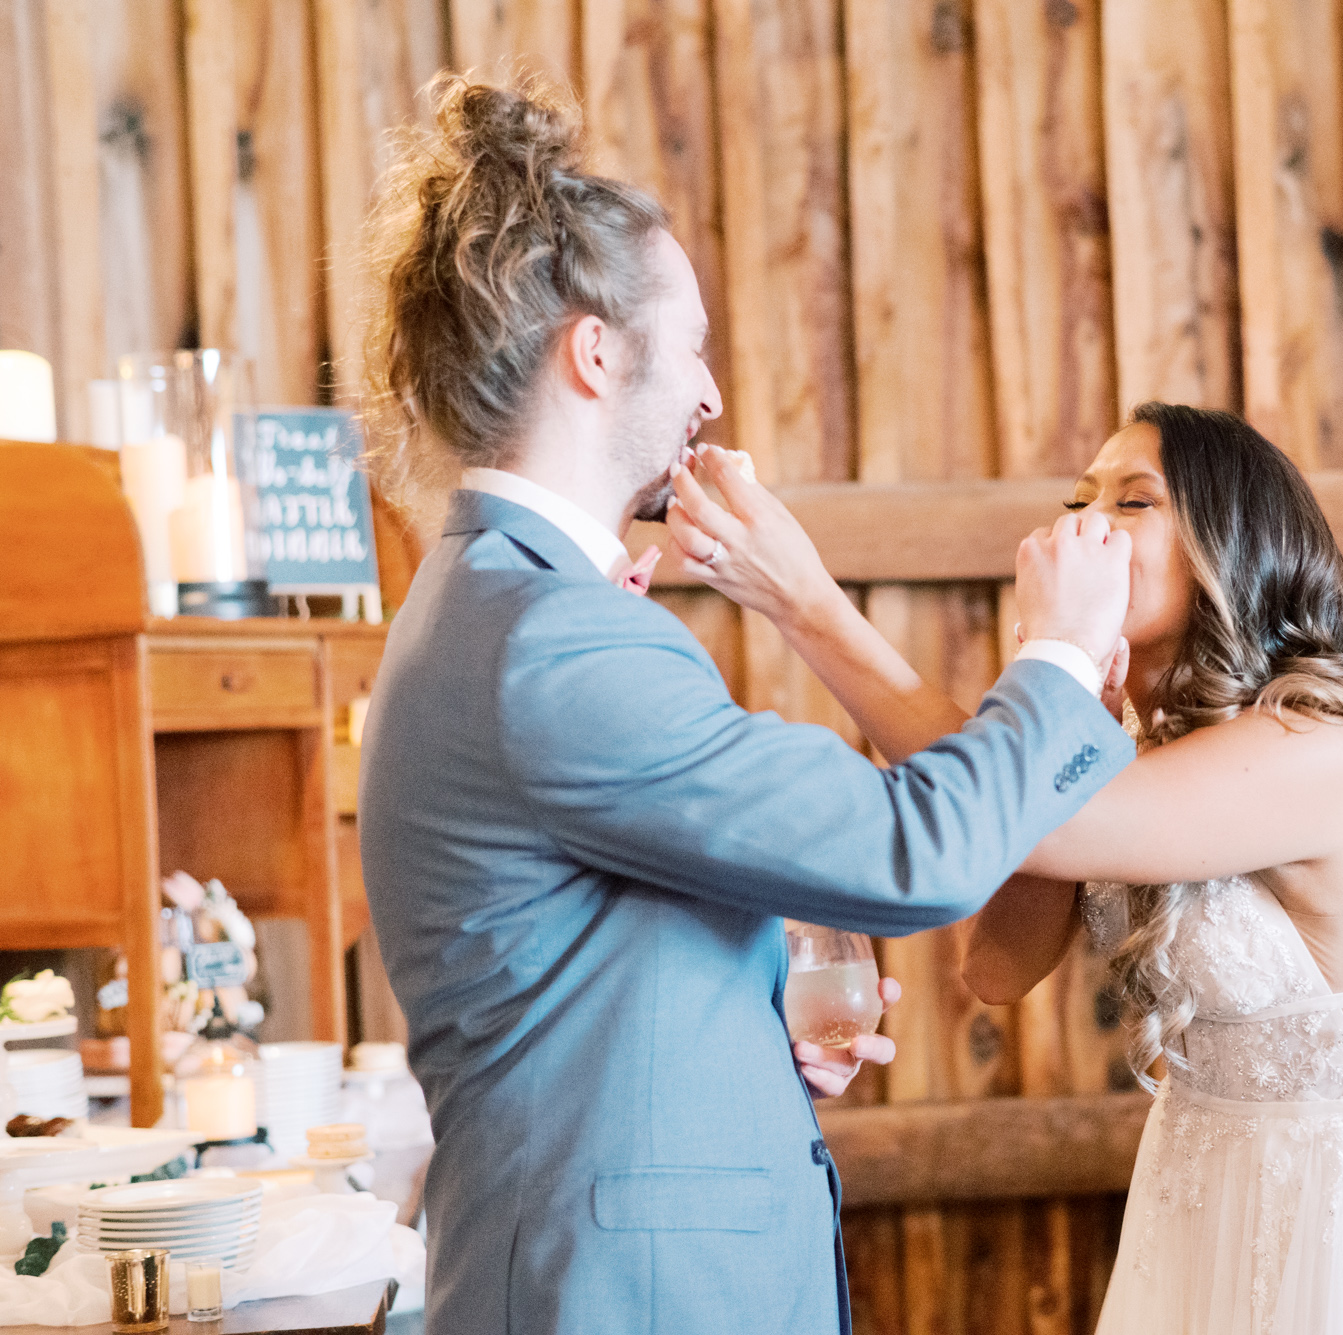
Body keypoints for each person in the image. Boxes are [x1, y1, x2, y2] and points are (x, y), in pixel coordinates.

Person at [354, 75, 1137, 1335]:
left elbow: (567, 965)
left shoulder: (499, 604)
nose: (710, 396)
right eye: (694, 344)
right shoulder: (555, 639)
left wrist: (739, 1027)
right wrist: (1057, 655)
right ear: (596, 353)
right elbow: (909, 851)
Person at [665, 403, 1343, 1333]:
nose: (1083, 526)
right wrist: (1068, 715)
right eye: (1077, 499)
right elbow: (997, 968)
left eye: (1133, 502)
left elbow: (1018, 821)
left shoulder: (1312, 745)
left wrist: (808, 602)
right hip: (1205, 1189)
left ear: (1228, 548)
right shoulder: (1124, 750)